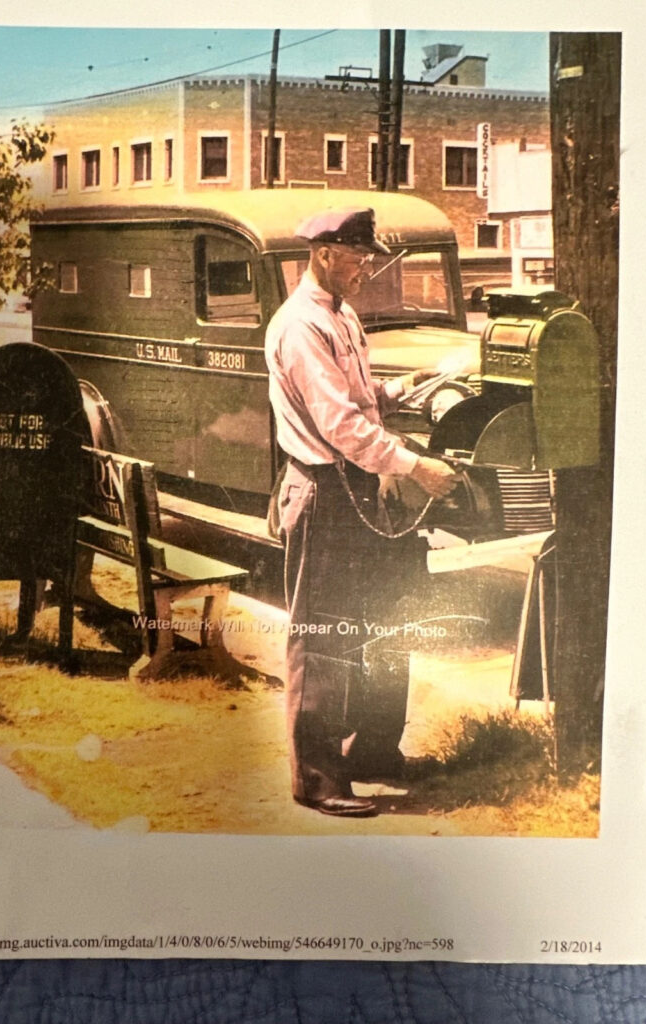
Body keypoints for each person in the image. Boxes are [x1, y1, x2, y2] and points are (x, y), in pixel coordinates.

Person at [265, 207, 457, 818]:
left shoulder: (340, 317)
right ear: (325, 253)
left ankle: (372, 750)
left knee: (381, 621)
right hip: (324, 491)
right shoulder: (300, 326)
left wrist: (404, 388)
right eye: (358, 254)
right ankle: (317, 779)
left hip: (356, 486)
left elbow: (359, 399)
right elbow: (339, 424)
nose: (367, 266)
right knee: (322, 633)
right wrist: (415, 466)